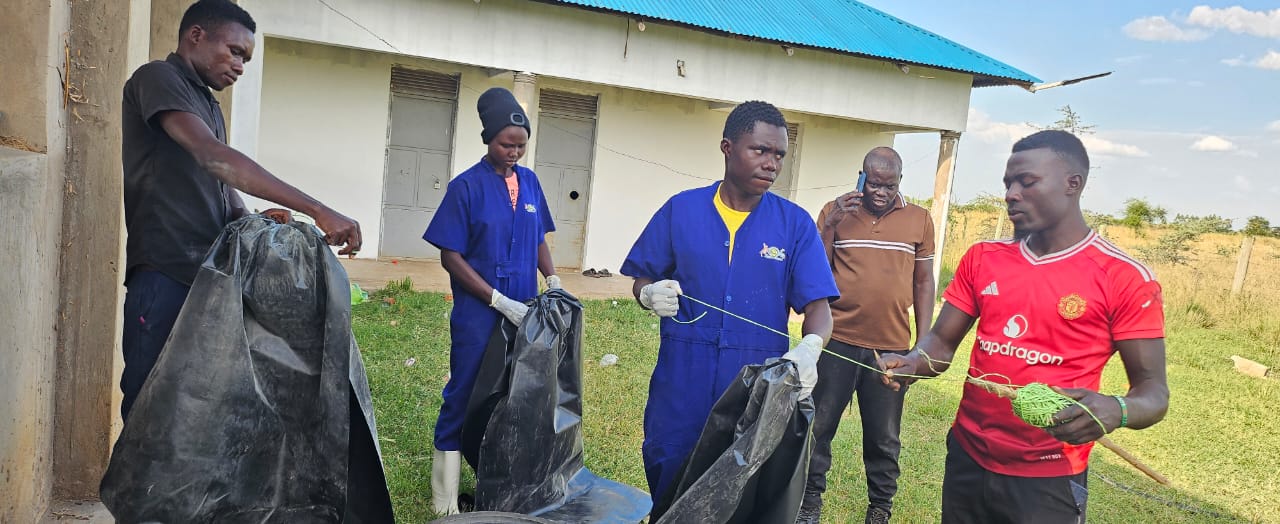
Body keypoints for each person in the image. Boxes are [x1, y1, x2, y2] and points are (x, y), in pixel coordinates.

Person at [879, 130, 1169, 523]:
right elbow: (942, 344)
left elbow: (1153, 394)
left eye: (1027, 182)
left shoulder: (1123, 276)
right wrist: (914, 362)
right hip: (967, 456)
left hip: (1048, 475)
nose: (1011, 193)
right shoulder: (984, 258)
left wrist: (1116, 409)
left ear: (1073, 184)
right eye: (1008, 183)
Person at [120, 0, 361, 421]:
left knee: (192, 408)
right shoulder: (158, 78)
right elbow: (213, 158)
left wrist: (253, 221)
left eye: (246, 58)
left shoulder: (208, 104)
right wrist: (317, 208)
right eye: (234, 51)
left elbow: (221, 184)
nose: (240, 66)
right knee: (149, 405)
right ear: (196, 35)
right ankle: (134, 491)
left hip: (206, 277)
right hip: (164, 272)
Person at [620, 100, 839, 502]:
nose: (771, 163)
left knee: (742, 488)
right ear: (727, 148)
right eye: (760, 150)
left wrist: (811, 347)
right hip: (683, 378)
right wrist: (648, 294)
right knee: (670, 469)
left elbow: (819, 307)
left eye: (779, 155)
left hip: (754, 385)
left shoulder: (794, 225)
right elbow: (642, 277)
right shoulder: (681, 210)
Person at [423, 87, 560, 516]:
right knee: (464, 394)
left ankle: (496, 485)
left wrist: (551, 278)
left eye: (521, 145)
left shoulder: (532, 183)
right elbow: (450, 255)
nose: (514, 152)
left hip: (526, 311)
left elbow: (537, 237)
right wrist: (496, 299)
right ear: (488, 139)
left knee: (511, 397)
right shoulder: (466, 188)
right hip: (478, 315)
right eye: (506, 144)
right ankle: (445, 501)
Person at [799, 147, 936, 524]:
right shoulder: (834, 211)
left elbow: (924, 282)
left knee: (883, 437)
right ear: (861, 176)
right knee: (819, 427)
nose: (880, 192)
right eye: (874, 183)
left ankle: (880, 508)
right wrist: (830, 226)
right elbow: (814, 269)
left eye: (889, 185)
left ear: (900, 183)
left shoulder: (919, 219)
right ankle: (809, 503)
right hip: (836, 340)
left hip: (891, 348)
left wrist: (923, 346)